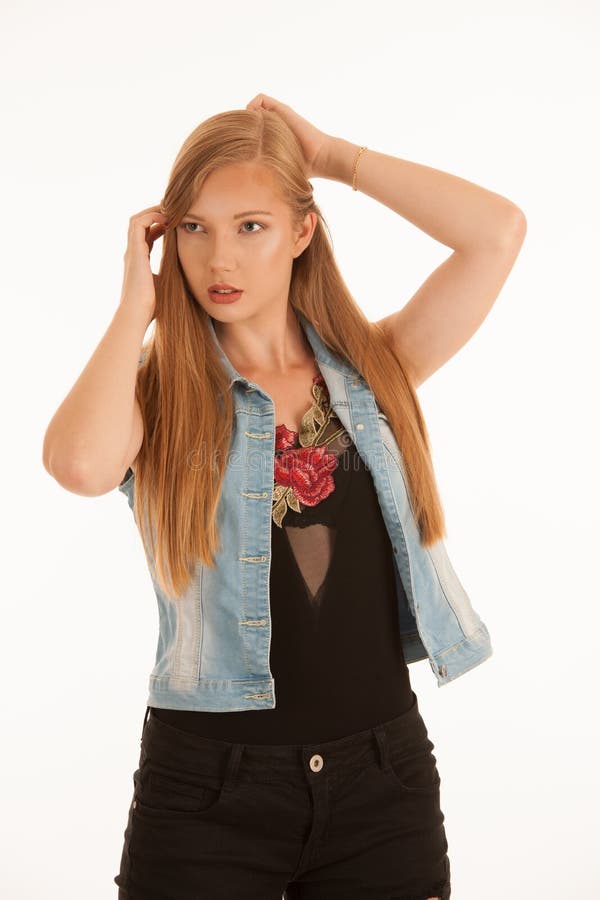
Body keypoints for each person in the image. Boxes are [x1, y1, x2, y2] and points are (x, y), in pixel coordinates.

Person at [42, 94, 526, 900]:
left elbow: (497, 231)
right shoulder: (160, 401)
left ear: (303, 231)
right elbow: (80, 466)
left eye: (250, 226)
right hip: (207, 797)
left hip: (383, 787)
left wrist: (334, 157)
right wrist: (137, 303)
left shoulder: (376, 370)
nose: (218, 259)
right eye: (193, 228)